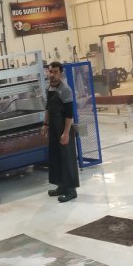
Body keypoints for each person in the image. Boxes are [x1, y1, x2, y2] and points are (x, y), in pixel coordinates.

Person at [41, 61, 79, 202]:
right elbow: (47, 107)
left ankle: (71, 190)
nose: (52, 74)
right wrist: (45, 124)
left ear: (61, 73)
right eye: (50, 71)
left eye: (55, 72)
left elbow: (69, 114)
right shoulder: (48, 87)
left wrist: (66, 133)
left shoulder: (65, 90)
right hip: (53, 128)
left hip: (64, 128)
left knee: (67, 159)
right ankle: (61, 186)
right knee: (56, 157)